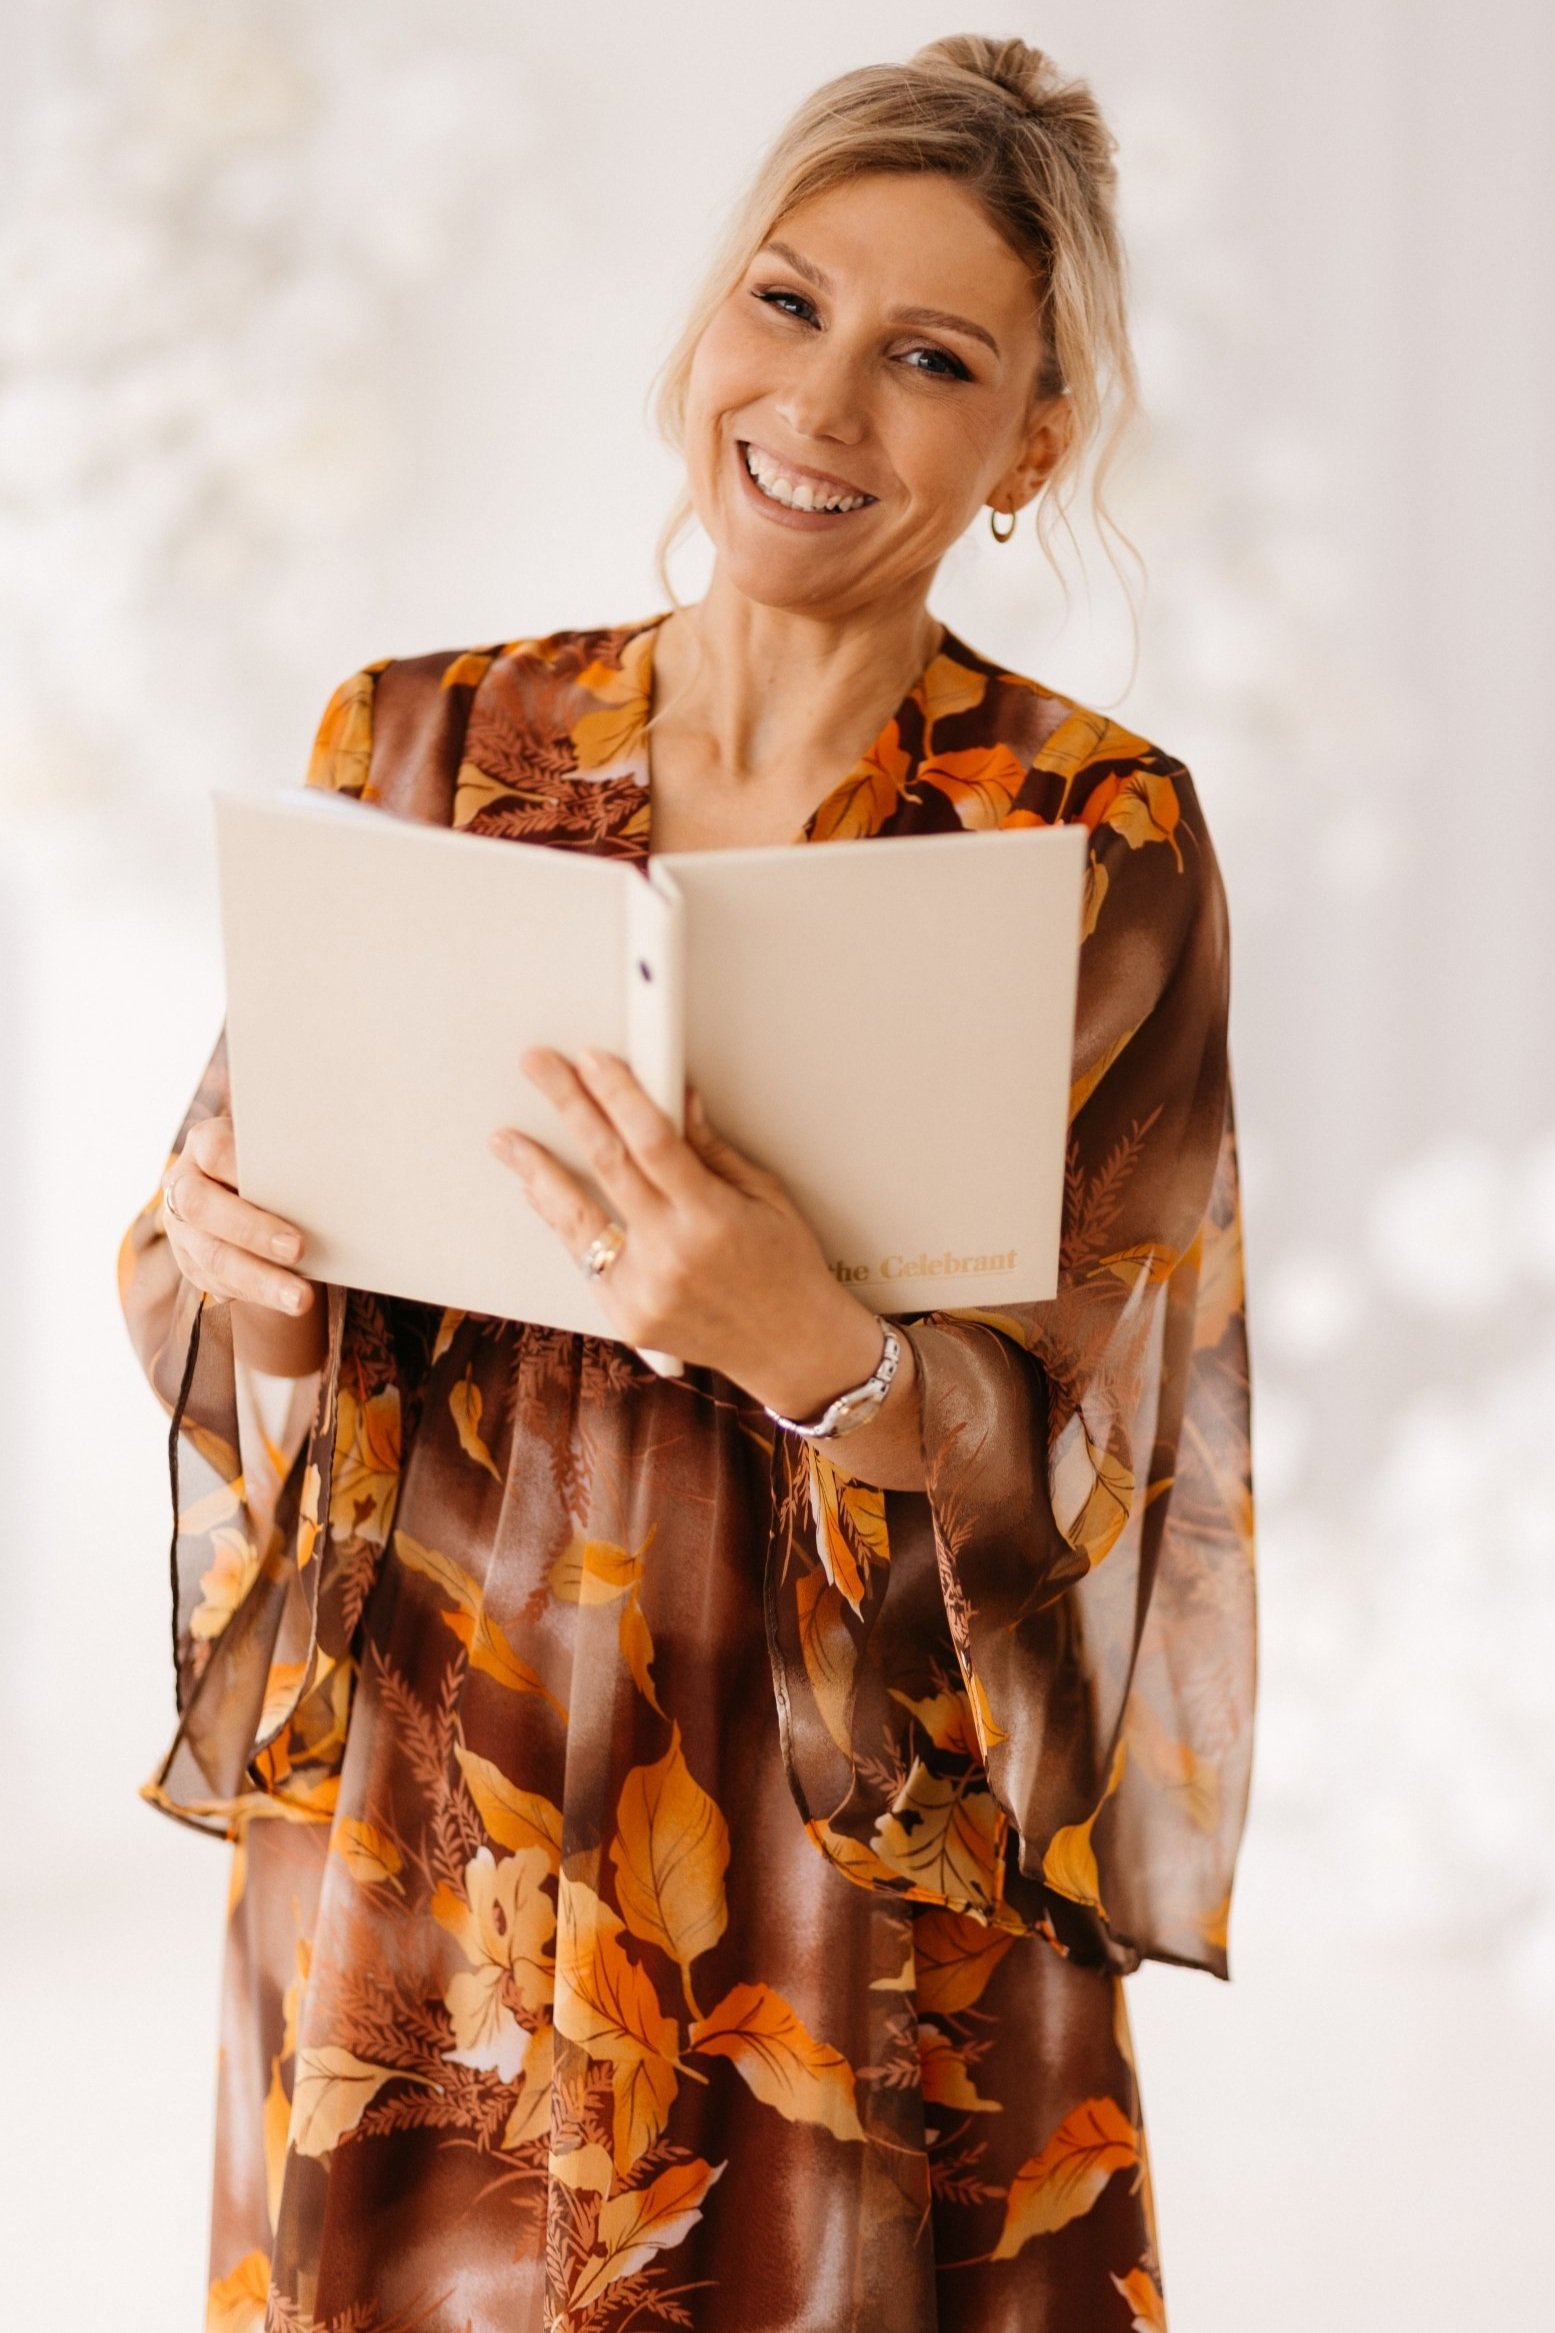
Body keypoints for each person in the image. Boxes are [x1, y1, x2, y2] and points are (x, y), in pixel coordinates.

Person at [118, 33, 1255, 2333]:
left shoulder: (1082, 839)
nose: (824, 406)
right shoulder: (416, 742)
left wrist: (819, 1355)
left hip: (842, 1845)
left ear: (1028, 442)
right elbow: (242, 1301)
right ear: (703, 328)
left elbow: (1128, 1474)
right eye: (785, 303)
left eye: (928, 358)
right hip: (439, 1824)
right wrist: (230, 1278)